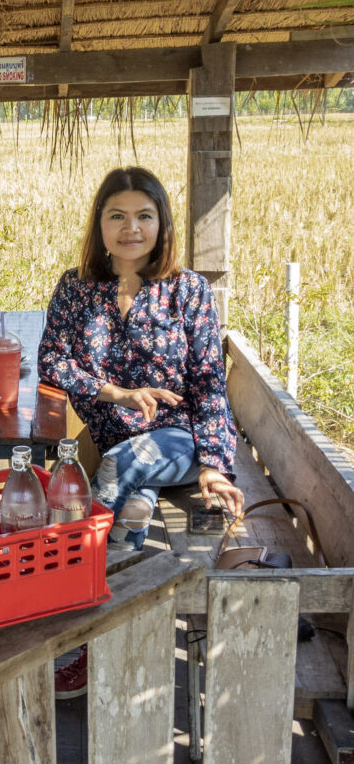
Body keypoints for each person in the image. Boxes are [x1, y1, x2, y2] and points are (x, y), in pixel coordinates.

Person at [37, 166, 243, 699]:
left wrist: (214, 467)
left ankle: (80, 634)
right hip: (112, 433)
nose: (131, 228)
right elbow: (51, 360)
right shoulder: (78, 288)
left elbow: (209, 385)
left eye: (144, 216)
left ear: (161, 222)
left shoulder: (188, 291)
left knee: (118, 470)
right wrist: (114, 393)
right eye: (118, 215)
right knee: (130, 505)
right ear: (100, 223)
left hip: (177, 436)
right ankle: (116, 627)